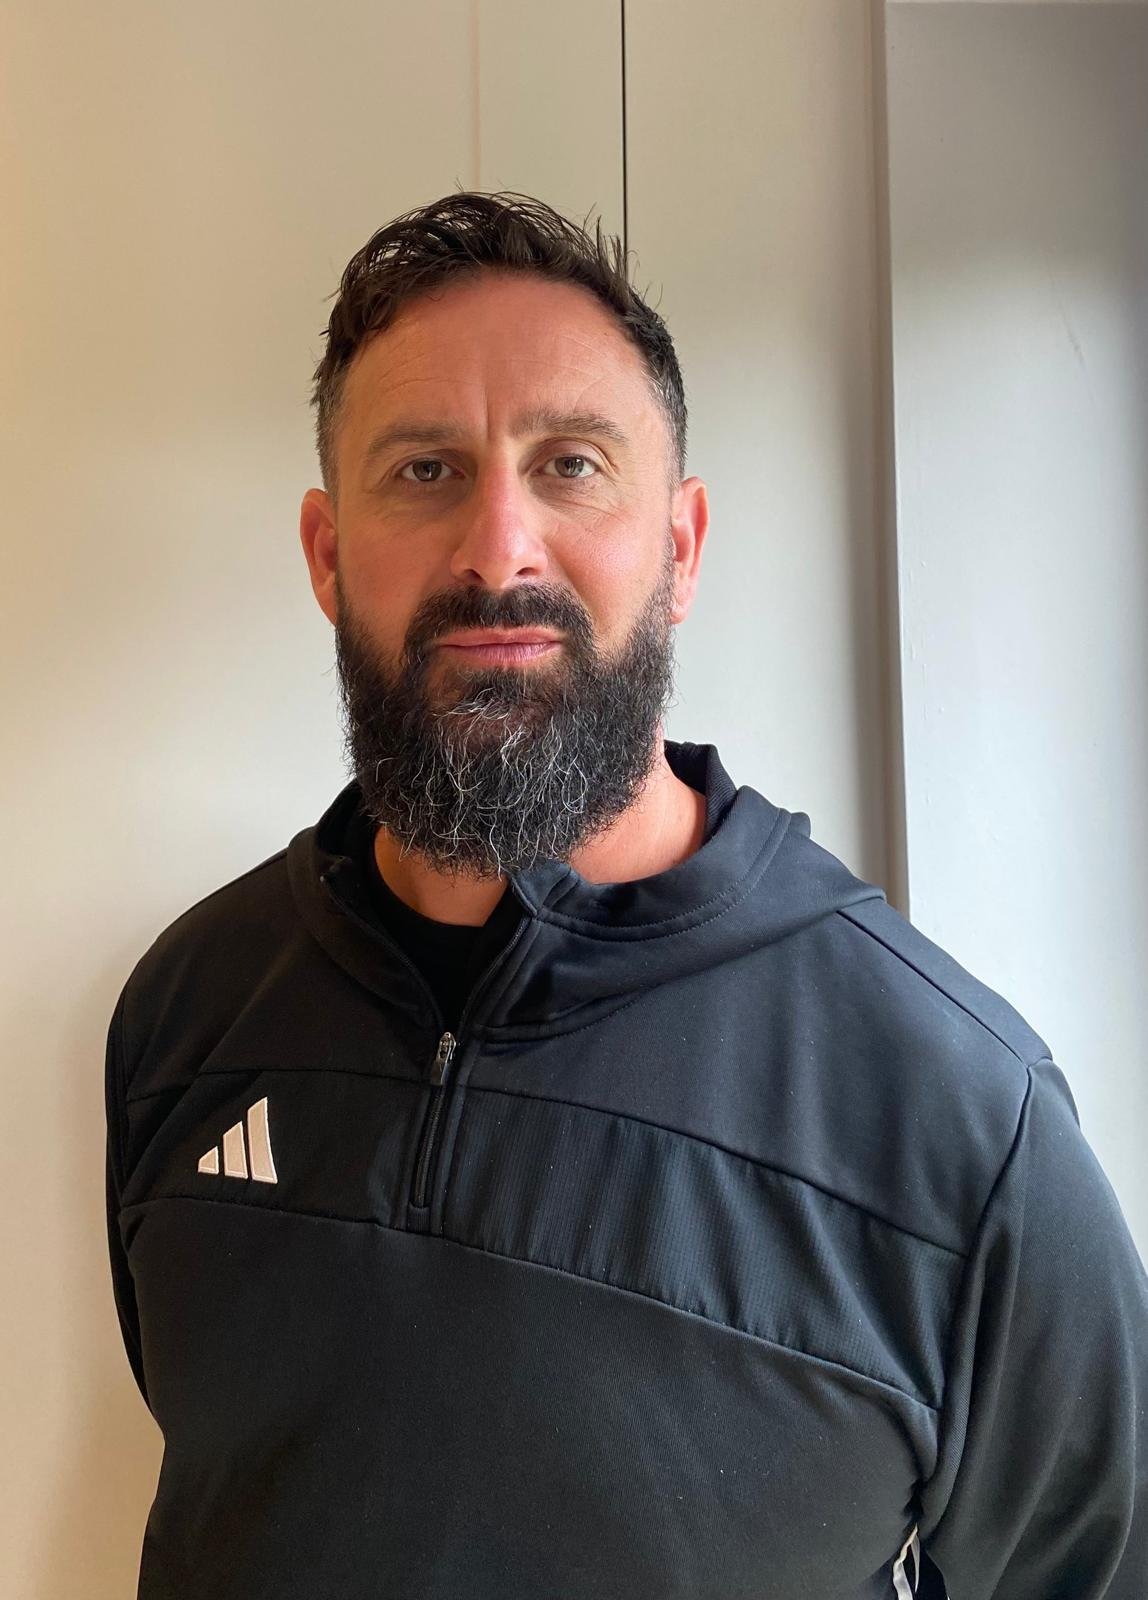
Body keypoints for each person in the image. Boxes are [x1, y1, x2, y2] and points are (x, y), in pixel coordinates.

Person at [105, 190, 1147, 1599]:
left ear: (684, 548)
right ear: (326, 554)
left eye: (573, 464)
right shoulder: (189, 1005)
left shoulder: (964, 1120)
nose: (499, 551)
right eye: (423, 470)